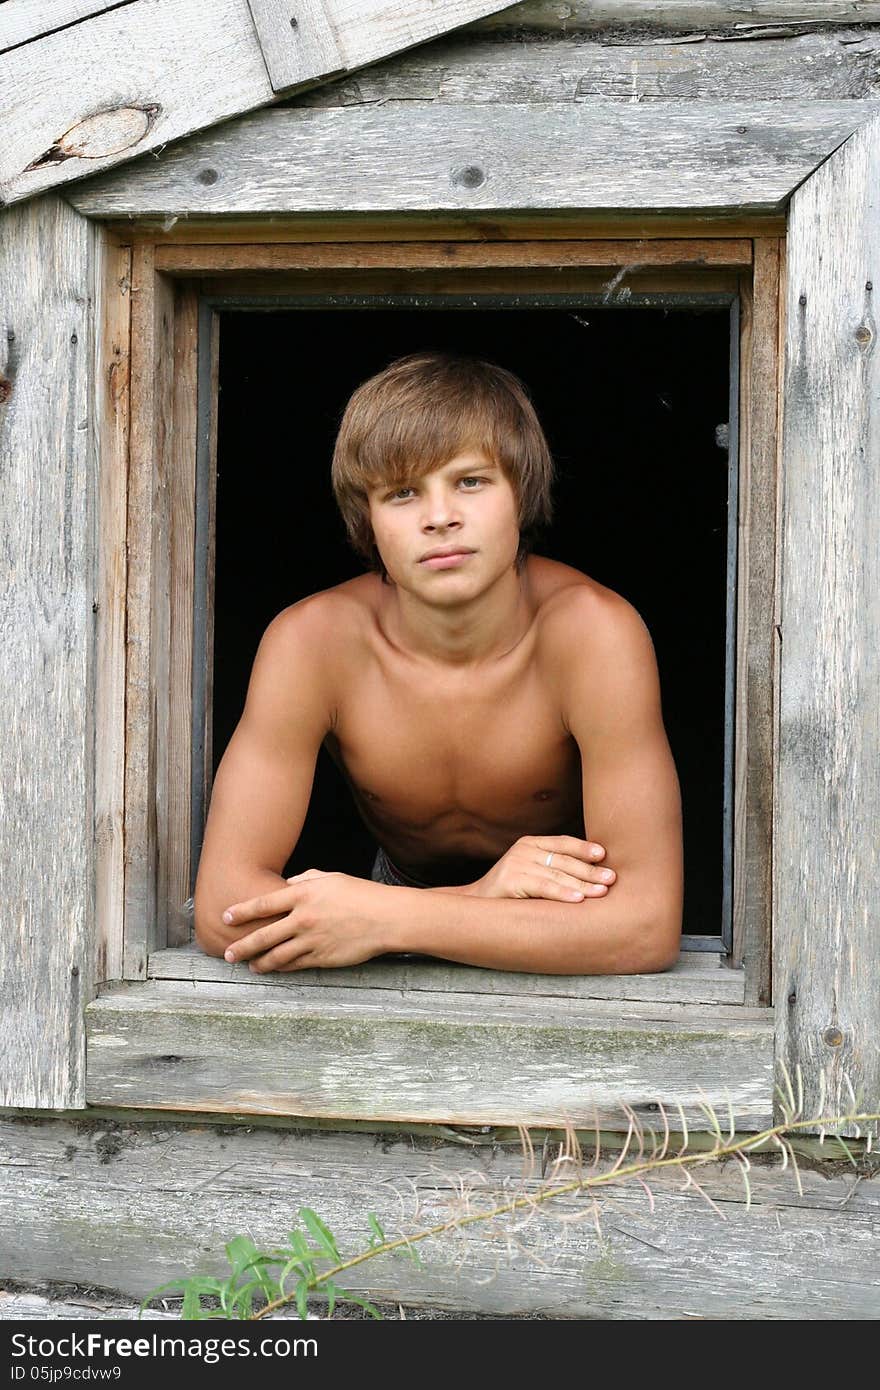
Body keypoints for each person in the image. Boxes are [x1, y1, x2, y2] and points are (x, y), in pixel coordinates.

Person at [193, 351, 683, 975]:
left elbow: (645, 927)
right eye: (402, 493)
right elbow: (221, 910)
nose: (440, 517)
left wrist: (386, 918)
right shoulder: (312, 641)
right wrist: (452, 902)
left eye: (471, 482)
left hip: (556, 914)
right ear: (366, 521)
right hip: (381, 898)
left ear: (521, 494)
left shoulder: (592, 635)